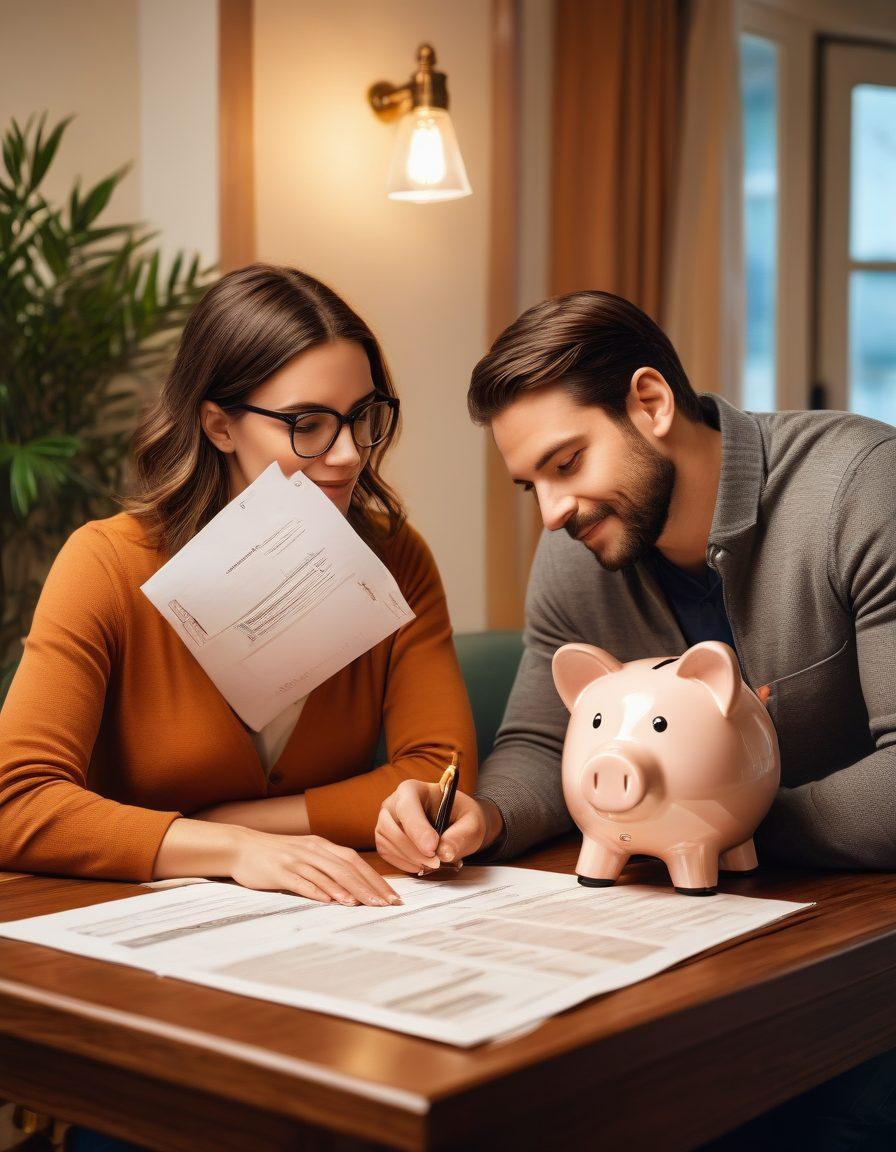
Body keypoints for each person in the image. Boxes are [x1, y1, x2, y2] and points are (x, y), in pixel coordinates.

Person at [375, 290, 896, 1150]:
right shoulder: (574, 559)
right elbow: (542, 742)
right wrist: (485, 815)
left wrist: (710, 824)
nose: (550, 512)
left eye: (567, 462)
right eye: (530, 483)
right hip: (699, 946)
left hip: (860, 955)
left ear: (651, 404)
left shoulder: (860, 486)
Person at [0, 263, 476, 909]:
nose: (348, 454)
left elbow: (438, 779)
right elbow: (15, 802)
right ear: (219, 425)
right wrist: (238, 852)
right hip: (127, 931)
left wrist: (238, 825)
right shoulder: (107, 566)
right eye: (307, 424)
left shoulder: (395, 559)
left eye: (364, 416)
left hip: (327, 920)